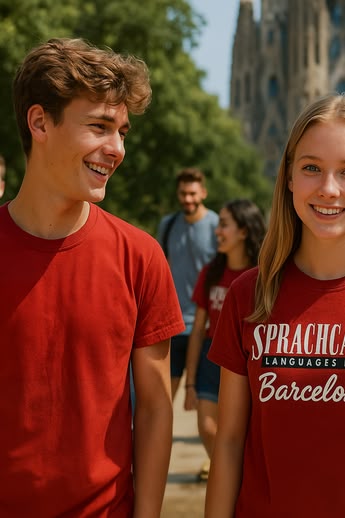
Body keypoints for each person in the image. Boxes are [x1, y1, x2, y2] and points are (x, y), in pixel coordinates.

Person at [0, 37, 185, 518]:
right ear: (40, 122)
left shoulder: (141, 257)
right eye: (100, 127)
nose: (117, 148)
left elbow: (155, 409)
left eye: (123, 131)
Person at [205, 93, 345, 518]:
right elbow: (229, 442)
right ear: (287, 177)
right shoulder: (249, 295)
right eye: (311, 168)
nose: (329, 189)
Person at [184, 199, 266, 481]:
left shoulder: (265, 275)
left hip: (249, 360)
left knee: (243, 433)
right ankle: (229, 479)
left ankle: (237, 484)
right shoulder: (211, 273)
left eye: (224, 224)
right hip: (211, 356)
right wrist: (190, 382)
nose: (216, 230)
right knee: (207, 427)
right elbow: (197, 329)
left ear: (243, 231)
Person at [157, 168, 218, 399]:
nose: (188, 199)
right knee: (163, 399)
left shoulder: (217, 226)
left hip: (206, 328)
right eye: (183, 193)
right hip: (173, 324)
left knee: (206, 404)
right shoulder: (168, 225)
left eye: (192, 193)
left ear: (203, 192)